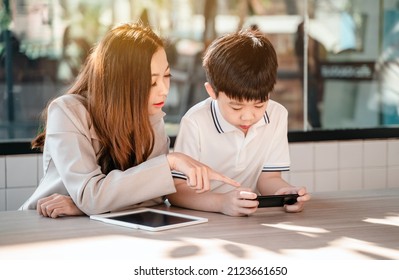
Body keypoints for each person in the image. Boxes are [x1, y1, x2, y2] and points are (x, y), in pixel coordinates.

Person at [19, 22, 239, 218]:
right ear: (121, 84)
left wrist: (83, 206)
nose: (164, 90)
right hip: (45, 225)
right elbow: (91, 195)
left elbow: (155, 195)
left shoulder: (150, 114)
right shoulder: (68, 112)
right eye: (152, 82)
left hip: (103, 227)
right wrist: (170, 162)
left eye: (167, 76)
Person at [167, 28, 310, 217]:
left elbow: (269, 178)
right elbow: (176, 191)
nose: (248, 117)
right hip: (202, 217)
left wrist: (284, 194)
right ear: (212, 92)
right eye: (236, 107)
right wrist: (221, 203)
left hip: (245, 218)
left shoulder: (277, 115)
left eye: (259, 105)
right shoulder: (195, 121)